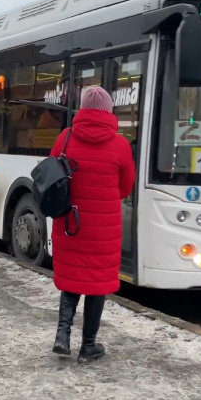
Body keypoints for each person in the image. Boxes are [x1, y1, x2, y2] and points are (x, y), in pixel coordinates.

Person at [49, 86, 135, 363]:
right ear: (108, 110)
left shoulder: (65, 137)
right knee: (97, 284)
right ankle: (88, 345)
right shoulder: (120, 145)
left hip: (69, 223)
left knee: (72, 279)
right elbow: (125, 186)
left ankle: (62, 335)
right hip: (103, 230)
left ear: (82, 109)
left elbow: (51, 177)